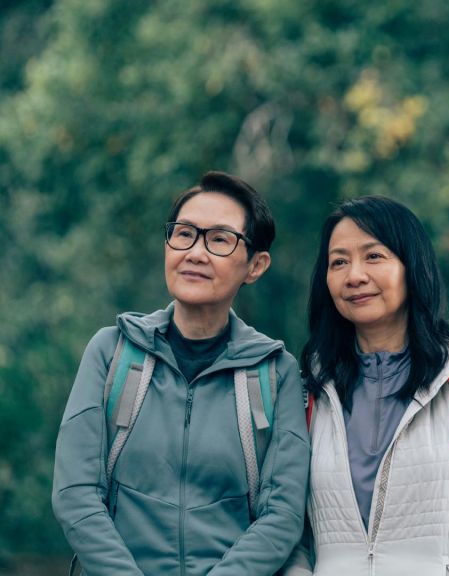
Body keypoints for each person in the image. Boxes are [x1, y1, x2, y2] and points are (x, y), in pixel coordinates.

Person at [52, 172, 310, 575]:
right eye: (184, 233)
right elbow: (76, 494)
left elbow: (283, 514)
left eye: (220, 239)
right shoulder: (111, 351)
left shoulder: (275, 372)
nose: (195, 252)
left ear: (256, 265)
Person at [283, 196, 449, 575]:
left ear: (412, 267)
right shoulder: (308, 393)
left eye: (373, 256)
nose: (354, 275)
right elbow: (293, 535)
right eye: (339, 261)